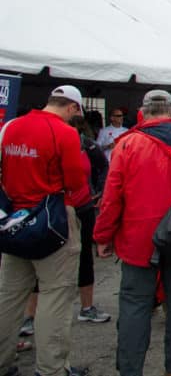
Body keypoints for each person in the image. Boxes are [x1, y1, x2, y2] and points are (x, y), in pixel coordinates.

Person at [93, 89, 171, 376]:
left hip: (138, 239)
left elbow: (111, 198)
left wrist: (102, 236)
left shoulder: (127, 144)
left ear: (143, 111)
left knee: (135, 307)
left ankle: (130, 370)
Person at [0, 85, 88, 376]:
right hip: (51, 221)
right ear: (73, 108)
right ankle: (51, 369)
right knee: (55, 295)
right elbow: (75, 181)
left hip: (13, 220)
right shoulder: (65, 133)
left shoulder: (12, 127)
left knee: (9, 295)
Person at [66, 116, 111, 324]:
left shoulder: (88, 145)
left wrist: (100, 191)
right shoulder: (52, 141)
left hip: (83, 207)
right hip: (54, 207)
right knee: (46, 259)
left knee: (85, 256)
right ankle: (31, 315)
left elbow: (103, 167)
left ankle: (86, 306)